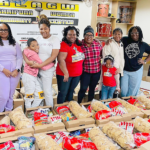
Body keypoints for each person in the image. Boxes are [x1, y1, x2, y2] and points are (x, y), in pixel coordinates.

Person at [23, 15, 60, 107]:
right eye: (41, 29)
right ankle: (36, 110)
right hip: (36, 71)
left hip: (47, 70)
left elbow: (53, 56)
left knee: (47, 91)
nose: (43, 31)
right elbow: (25, 50)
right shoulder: (37, 39)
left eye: (45, 28)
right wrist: (27, 61)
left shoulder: (54, 39)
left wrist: (41, 65)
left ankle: (49, 110)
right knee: (39, 92)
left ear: (49, 28)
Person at [107, 26, 150, 97]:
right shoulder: (125, 40)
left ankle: (129, 104)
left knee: (132, 91)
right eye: (132, 33)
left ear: (140, 33)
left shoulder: (143, 44)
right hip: (125, 70)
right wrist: (109, 39)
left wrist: (145, 61)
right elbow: (116, 37)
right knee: (123, 90)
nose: (134, 34)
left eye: (136, 33)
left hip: (136, 70)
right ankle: (124, 102)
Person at [22, 38, 54, 108]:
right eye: (33, 46)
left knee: (40, 95)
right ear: (29, 47)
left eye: (37, 45)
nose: (36, 47)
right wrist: (52, 63)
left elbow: (24, 50)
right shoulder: (33, 54)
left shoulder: (27, 51)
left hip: (33, 76)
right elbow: (43, 67)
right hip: (28, 76)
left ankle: (32, 110)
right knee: (29, 96)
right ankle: (28, 113)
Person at [56, 26, 85, 104]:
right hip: (65, 74)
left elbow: (89, 40)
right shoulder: (63, 44)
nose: (72, 36)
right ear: (66, 35)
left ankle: (68, 109)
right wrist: (66, 73)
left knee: (71, 92)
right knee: (63, 93)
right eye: (70, 34)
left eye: (74, 34)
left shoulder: (78, 43)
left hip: (77, 75)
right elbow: (61, 60)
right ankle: (60, 109)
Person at [0, 23, 22, 112]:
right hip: (2, 71)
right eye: (1, 30)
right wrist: (3, 69)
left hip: (14, 72)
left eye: (5, 30)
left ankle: (8, 114)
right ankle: (1, 113)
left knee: (10, 95)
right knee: (3, 96)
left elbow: (20, 57)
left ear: (9, 31)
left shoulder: (14, 43)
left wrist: (17, 69)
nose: (3, 32)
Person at [78, 26, 102, 103]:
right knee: (83, 89)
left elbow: (102, 55)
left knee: (92, 89)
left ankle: (89, 105)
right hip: (85, 73)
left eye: (91, 35)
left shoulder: (98, 44)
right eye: (86, 35)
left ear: (93, 36)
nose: (89, 37)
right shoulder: (80, 45)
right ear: (84, 36)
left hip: (96, 72)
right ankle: (78, 103)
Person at [99, 28, 124, 92]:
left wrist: (120, 68)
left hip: (118, 69)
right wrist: (114, 67)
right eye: (115, 34)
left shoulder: (121, 44)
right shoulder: (109, 43)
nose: (117, 36)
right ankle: (104, 100)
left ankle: (113, 101)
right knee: (106, 86)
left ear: (122, 35)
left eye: (119, 34)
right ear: (113, 35)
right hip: (110, 68)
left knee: (115, 87)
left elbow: (120, 57)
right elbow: (105, 56)